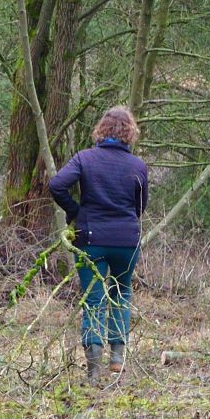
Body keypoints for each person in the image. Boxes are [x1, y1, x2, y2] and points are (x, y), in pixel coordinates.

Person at [48, 106, 150, 382]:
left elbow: (57, 185)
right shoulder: (139, 167)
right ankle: (117, 360)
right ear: (130, 132)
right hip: (127, 241)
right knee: (122, 293)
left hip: (91, 239)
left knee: (94, 300)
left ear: (101, 130)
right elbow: (139, 207)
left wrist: (76, 211)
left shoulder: (84, 159)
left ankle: (93, 369)